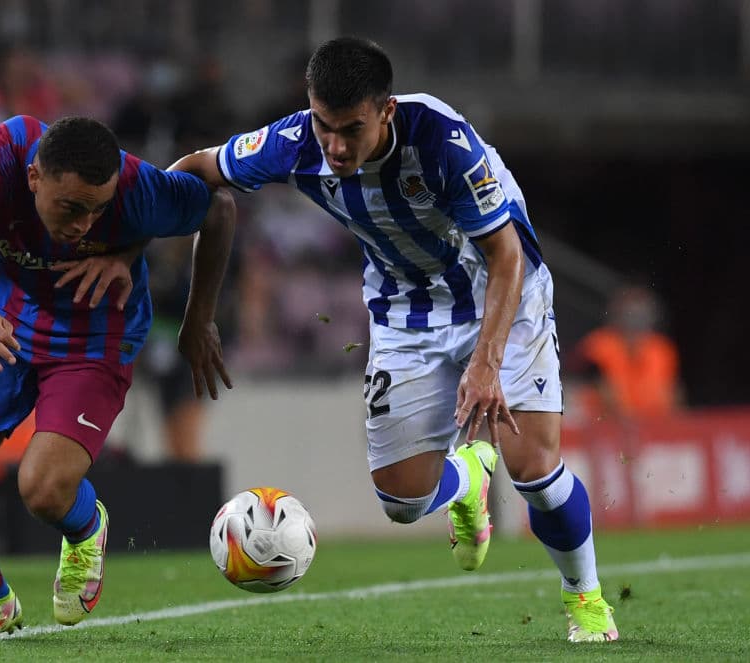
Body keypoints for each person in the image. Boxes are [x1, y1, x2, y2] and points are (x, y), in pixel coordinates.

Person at [171, 37, 618, 643]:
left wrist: (485, 363)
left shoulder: (441, 140)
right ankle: (468, 477)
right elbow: (195, 170)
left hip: (500, 297)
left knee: (534, 467)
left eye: (351, 128)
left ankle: (585, 597)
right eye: (325, 125)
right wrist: (142, 245)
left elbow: (506, 253)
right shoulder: (294, 143)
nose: (335, 145)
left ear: (386, 110)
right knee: (404, 503)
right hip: (406, 313)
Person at [0, 114, 234, 642]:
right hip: (2, 324)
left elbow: (220, 208)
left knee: (42, 489)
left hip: (95, 338)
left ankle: (87, 527)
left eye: (98, 209)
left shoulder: (136, 186)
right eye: (72, 208)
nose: (84, 225)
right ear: (34, 177)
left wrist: (198, 316)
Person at [570, 284, 681, 420]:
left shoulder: (661, 348)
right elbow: (598, 389)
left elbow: (673, 392)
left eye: (641, 315)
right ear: (617, 315)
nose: (635, 322)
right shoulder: (599, 344)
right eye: (630, 315)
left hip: (653, 425)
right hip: (605, 426)